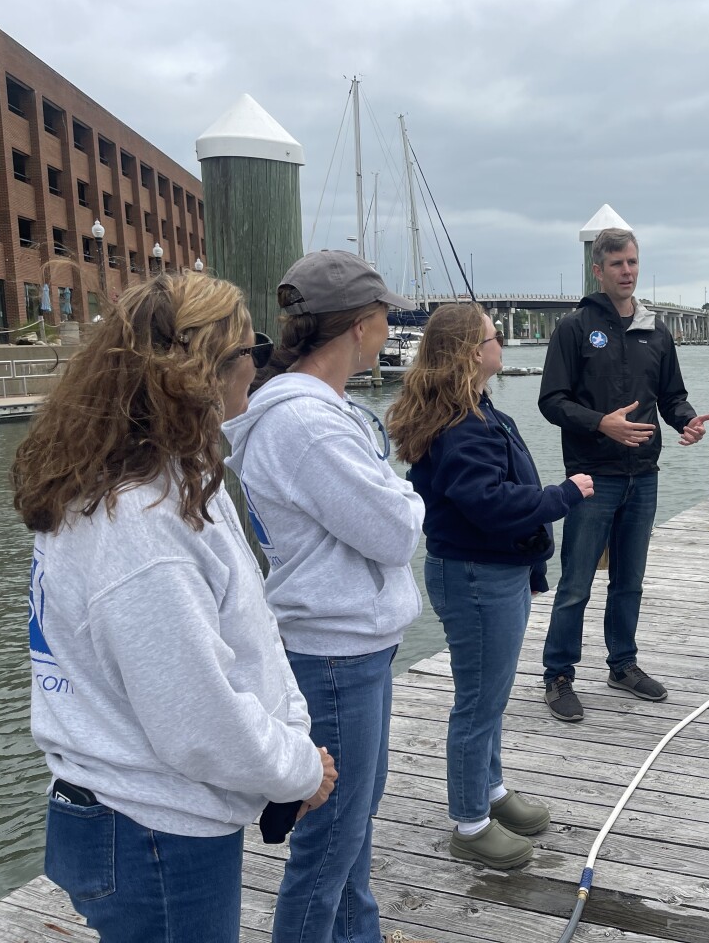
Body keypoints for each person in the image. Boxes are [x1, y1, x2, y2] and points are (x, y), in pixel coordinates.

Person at [12, 273, 336, 942]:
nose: (262, 364)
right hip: (150, 828)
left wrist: (292, 736)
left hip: (139, 812)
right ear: (205, 370)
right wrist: (296, 767)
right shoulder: (141, 521)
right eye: (254, 349)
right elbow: (195, 715)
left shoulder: (164, 475)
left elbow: (245, 635)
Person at [223, 250, 426, 942]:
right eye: (386, 317)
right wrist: (401, 491)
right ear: (362, 326)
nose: (390, 327)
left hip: (348, 645)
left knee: (351, 832)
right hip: (336, 654)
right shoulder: (306, 424)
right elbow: (397, 531)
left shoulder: (316, 413)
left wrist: (391, 489)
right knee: (328, 849)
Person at [388, 304, 592, 868]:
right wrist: (565, 493)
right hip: (476, 578)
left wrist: (531, 562)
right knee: (478, 703)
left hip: (494, 573)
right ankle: (469, 821)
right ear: (472, 353)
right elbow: (491, 504)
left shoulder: (477, 409)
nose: (500, 342)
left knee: (492, 695)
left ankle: (491, 790)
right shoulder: (462, 424)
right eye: (493, 336)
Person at [537, 227, 709, 721]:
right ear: (598, 269)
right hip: (593, 476)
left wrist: (686, 419)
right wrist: (602, 425)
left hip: (644, 475)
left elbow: (672, 395)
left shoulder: (657, 331)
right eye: (617, 264)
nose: (627, 272)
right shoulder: (574, 328)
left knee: (630, 580)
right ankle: (558, 675)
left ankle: (623, 664)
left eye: (633, 262)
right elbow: (552, 401)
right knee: (575, 582)